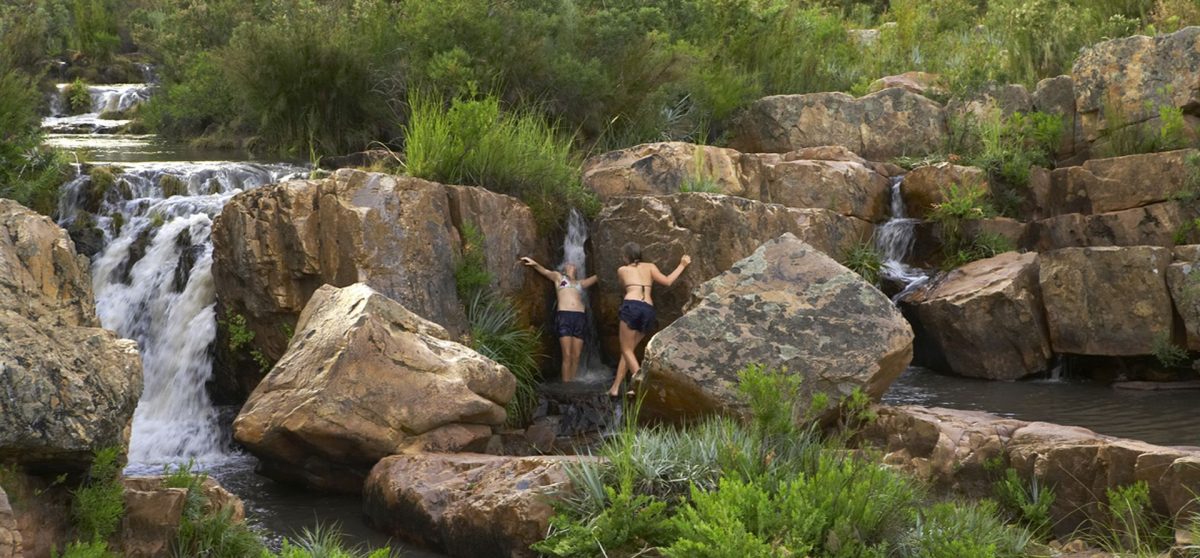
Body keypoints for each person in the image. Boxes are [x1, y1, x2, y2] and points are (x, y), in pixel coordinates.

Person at [607, 242, 691, 397]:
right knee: (628, 351)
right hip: (648, 310)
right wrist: (682, 264)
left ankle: (640, 382)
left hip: (631, 307)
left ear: (626, 256)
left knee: (625, 349)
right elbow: (667, 281)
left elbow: (622, 285)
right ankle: (615, 387)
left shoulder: (622, 269)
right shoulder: (651, 267)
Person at [520, 256, 597, 382]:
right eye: (568, 264)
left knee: (576, 356)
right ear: (564, 269)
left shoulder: (580, 283)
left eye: (573, 264)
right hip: (564, 317)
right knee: (567, 355)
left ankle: (572, 382)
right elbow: (545, 271)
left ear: (576, 269)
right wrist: (534, 263)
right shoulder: (559, 278)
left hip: (580, 318)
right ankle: (566, 385)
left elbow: (597, 277)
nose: (571, 265)